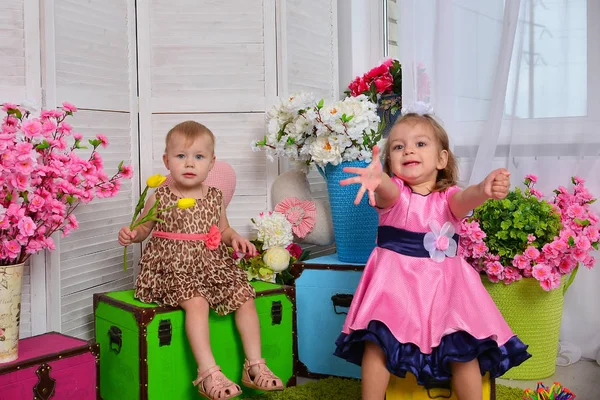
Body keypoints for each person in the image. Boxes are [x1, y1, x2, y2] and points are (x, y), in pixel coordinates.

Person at [333, 110, 531, 400]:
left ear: (442, 160)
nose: (408, 149)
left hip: (446, 288)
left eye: (420, 144)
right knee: (377, 341)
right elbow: (387, 192)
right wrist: (378, 180)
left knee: (463, 348)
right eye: (398, 147)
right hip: (395, 286)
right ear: (390, 162)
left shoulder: (448, 197)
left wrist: (483, 190)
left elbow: (466, 199)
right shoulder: (395, 195)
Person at [118, 121, 284, 400]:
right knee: (197, 302)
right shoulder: (161, 196)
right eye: (181, 156)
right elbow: (144, 230)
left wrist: (235, 239)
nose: (189, 163)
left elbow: (223, 229)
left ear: (211, 163)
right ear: (167, 161)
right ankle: (208, 373)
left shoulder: (215, 197)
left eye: (198, 157)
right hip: (172, 267)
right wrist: (131, 234)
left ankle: (255, 366)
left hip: (209, 265)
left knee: (244, 294)